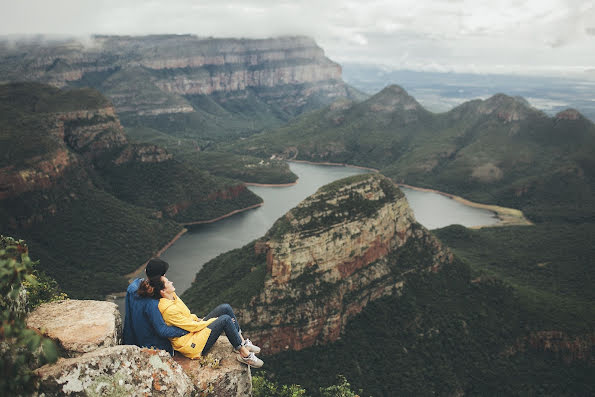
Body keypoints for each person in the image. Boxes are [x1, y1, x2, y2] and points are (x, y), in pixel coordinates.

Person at [138, 272, 264, 368]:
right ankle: (245, 355)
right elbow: (191, 327)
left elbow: (188, 316)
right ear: (163, 290)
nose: (171, 282)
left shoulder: (173, 297)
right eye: (168, 282)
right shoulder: (167, 309)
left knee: (225, 308)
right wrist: (211, 321)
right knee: (225, 319)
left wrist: (199, 320)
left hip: (195, 331)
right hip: (192, 344)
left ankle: (241, 342)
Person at [122, 258, 188, 355]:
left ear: (145, 271)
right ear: (162, 277)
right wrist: (186, 330)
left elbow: (129, 318)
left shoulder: (132, 288)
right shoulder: (152, 301)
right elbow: (162, 330)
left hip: (135, 342)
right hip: (155, 349)